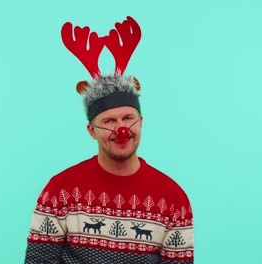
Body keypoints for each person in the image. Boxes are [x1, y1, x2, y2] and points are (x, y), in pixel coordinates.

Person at [24, 16, 194, 263]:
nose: (121, 129)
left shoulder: (173, 199)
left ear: (141, 123)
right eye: (109, 121)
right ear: (92, 130)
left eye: (127, 118)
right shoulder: (59, 192)